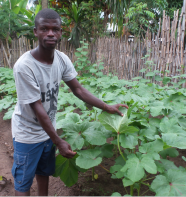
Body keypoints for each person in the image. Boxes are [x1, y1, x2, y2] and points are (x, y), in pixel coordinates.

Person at [11, 8, 128, 196]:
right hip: (27, 133)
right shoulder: (24, 66)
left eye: (55, 29)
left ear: (60, 33)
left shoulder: (61, 59)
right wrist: (58, 141)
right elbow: (37, 107)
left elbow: (78, 89)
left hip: (48, 130)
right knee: (23, 182)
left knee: (43, 173)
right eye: (44, 29)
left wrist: (107, 107)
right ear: (35, 32)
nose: (50, 33)